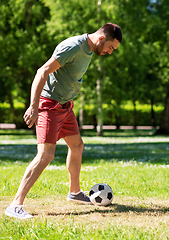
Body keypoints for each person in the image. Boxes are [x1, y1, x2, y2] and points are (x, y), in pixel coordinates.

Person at [5, 23, 122, 219]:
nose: (110, 52)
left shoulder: (90, 49)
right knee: (45, 155)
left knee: (77, 145)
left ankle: (74, 193)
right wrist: (34, 106)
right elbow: (42, 72)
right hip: (49, 104)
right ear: (101, 38)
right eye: (110, 48)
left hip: (65, 105)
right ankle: (15, 204)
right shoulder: (73, 46)